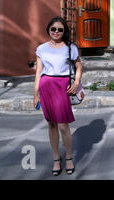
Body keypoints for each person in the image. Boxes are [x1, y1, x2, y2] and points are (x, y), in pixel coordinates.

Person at [33, 16, 82, 176]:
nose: (56, 32)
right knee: (51, 124)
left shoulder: (70, 48)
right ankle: (56, 158)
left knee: (63, 125)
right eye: (53, 29)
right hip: (46, 87)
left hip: (62, 87)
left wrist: (76, 83)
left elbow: (78, 65)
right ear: (48, 29)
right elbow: (39, 72)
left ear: (64, 31)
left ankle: (68, 157)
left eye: (60, 29)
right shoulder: (41, 49)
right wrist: (35, 95)